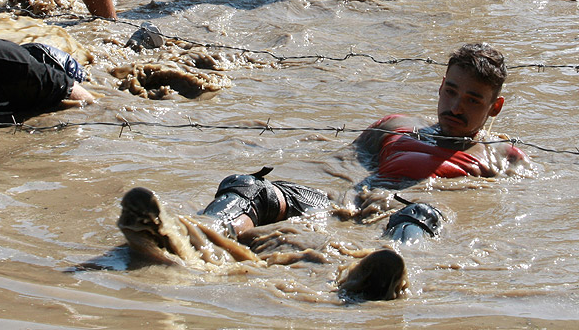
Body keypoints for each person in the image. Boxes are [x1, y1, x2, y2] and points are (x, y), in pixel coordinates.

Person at [117, 42, 528, 300]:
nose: (456, 107)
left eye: (473, 100)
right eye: (451, 91)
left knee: (422, 213)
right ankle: (190, 236)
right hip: (346, 202)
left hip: (406, 210)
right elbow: (339, 166)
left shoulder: (501, 155)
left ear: (495, 107)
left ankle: (382, 272)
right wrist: (315, 205)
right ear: (440, 86)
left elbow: (509, 207)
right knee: (250, 185)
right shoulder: (395, 128)